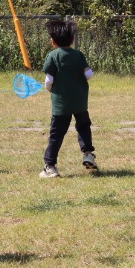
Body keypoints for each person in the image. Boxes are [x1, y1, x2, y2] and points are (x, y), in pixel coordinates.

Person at [39, 20, 96, 178]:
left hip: (61, 104)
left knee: (56, 134)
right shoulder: (78, 55)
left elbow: (48, 82)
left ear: (53, 41)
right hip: (80, 102)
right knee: (84, 127)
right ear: (72, 40)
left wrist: (50, 90)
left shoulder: (52, 56)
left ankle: (50, 166)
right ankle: (88, 154)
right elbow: (89, 75)